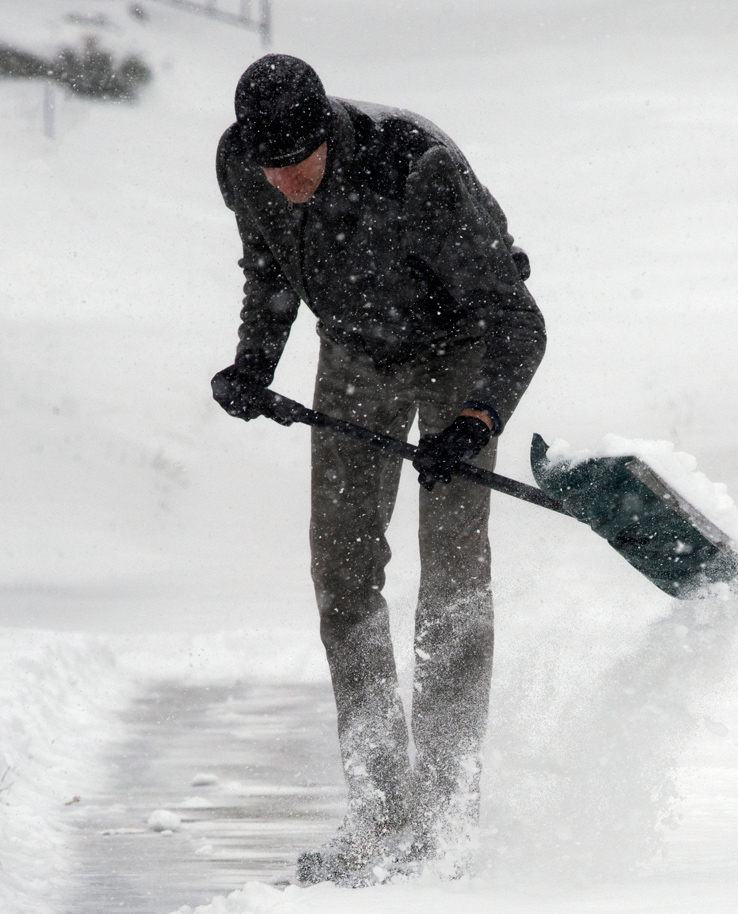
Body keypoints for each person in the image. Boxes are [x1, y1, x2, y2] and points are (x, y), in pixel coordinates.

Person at [211, 54, 546, 885]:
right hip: (356, 352)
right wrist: (253, 363)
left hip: (461, 348)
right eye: (269, 167)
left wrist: (475, 422)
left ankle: (446, 818)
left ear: (327, 134)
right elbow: (270, 270)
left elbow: (519, 321)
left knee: (452, 576)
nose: (283, 182)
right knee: (342, 572)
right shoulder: (243, 165)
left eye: (298, 164)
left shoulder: (416, 167)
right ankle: (381, 813)